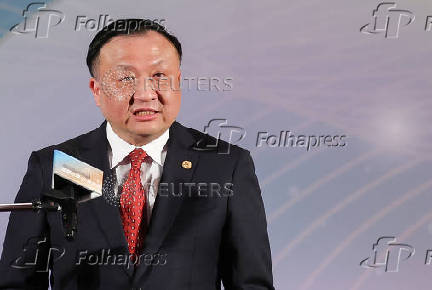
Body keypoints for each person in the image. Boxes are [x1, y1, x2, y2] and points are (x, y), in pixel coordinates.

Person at [0, 19, 274, 289]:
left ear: (177, 81)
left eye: (159, 77)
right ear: (97, 90)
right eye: (125, 78)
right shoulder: (57, 166)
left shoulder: (225, 166)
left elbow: (251, 283)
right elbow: (16, 281)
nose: (145, 94)